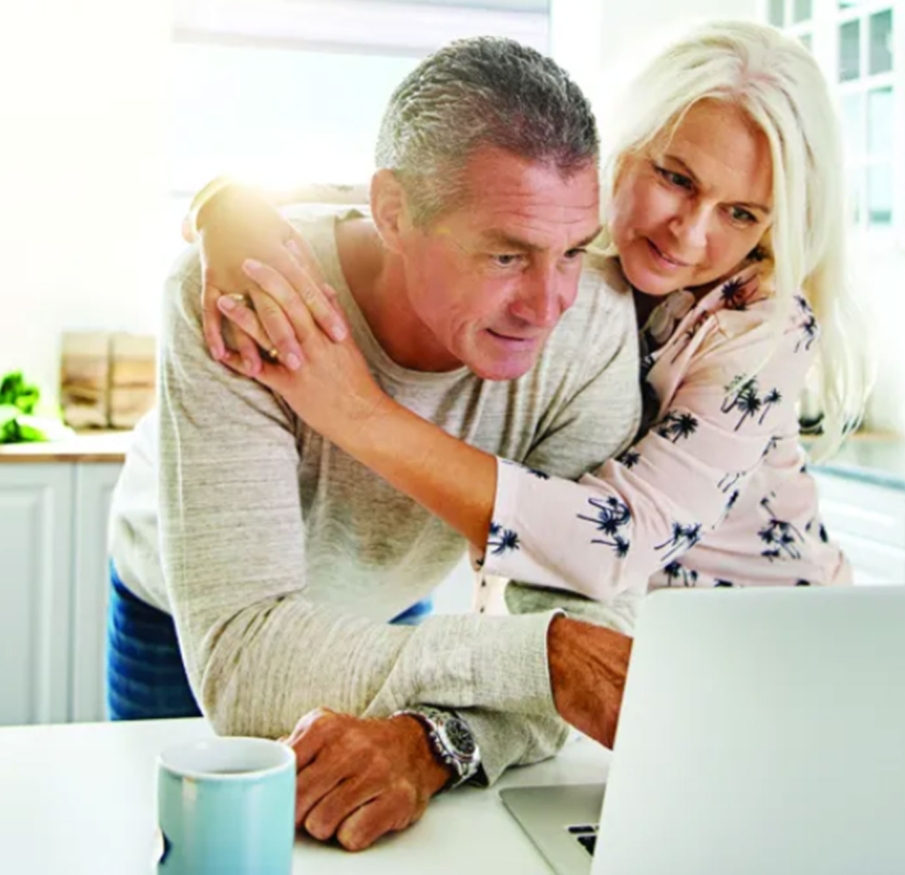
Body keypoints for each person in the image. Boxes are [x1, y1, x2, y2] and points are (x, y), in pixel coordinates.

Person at [107, 37, 643, 853]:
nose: (550, 303)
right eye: (507, 253)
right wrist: (546, 658)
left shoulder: (596, 331)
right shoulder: (245, 292)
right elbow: (244, 664)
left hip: (391, 606)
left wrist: (436, 739)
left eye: (572, 249)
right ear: (392, 212)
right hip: (186, 613)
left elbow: (591, 651)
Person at [193, 20, 871, 604]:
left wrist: (357, 411)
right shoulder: (572, 233)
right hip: (623, 642)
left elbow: (622, 540)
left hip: (778, 625)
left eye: (741, 213)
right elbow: (432, 201)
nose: (688, 234)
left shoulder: (763, 324)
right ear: (625, 146)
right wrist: (227, 206)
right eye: (676, 178)